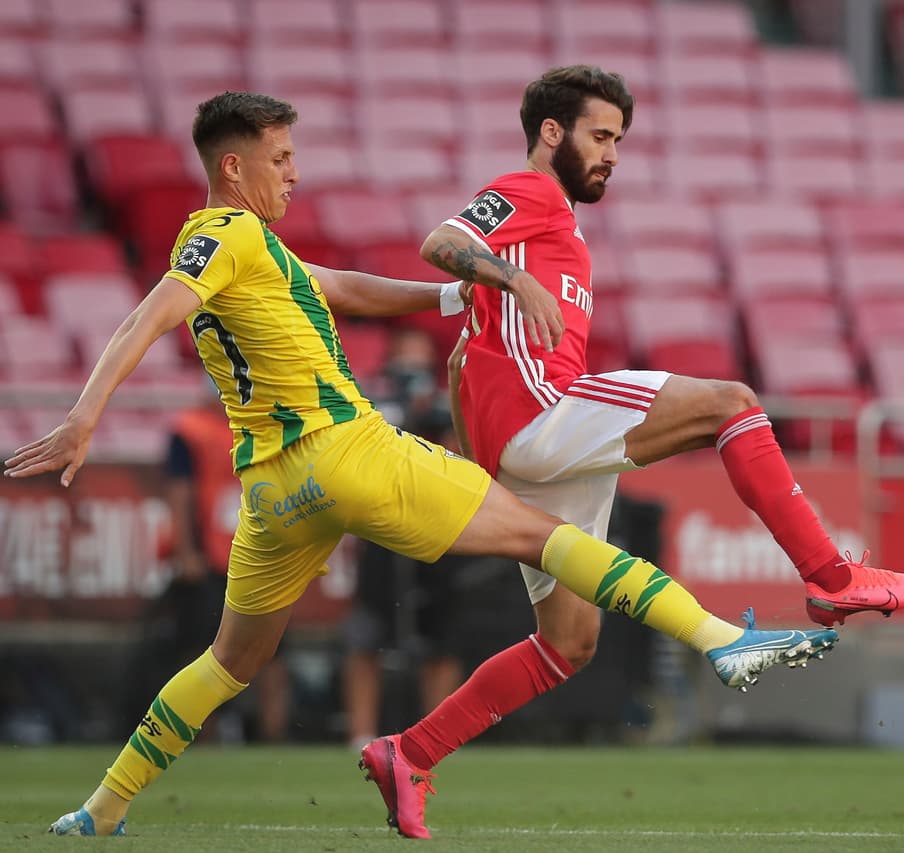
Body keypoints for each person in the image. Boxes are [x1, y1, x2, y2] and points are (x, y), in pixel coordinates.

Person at [3, 91, 839, 840]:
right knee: (544, 534)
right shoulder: (225, 232)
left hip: (274, 491)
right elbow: (153, 311)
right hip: (348, 451)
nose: (294, 173)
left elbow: (344, 287)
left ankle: (101, 810)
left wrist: (456, 296)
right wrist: (84, 415)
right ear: (234, 165)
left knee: (229, 660)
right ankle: (722, 638)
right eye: (281, 158)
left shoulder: (255, 252)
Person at [408, 65, 904, 787]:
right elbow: (441, 241)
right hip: (543, 417)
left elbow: (471, 341)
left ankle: (408, 754)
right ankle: (830, 576)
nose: (613, 154)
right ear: (551, 133)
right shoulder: (529, 191)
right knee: (732, 401)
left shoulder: (560, 220)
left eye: (618, 139)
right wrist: (514, 278)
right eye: (600, 135)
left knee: (569, 643)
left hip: (534, 451)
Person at [341, 328, 468, 749]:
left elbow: (460, 455)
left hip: (434, 525)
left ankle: (439, 733)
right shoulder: (371, 402)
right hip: (380, 526)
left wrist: (432, 410)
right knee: (367, 636)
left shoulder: (443, 402)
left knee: (442, 638)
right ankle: (360, 732)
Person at [155, 396, 291, 743]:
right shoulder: (193, 430)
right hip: (214, 555)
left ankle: (273, 738)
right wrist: (186, 551)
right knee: (205, 649)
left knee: (273, 651)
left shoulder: (272, 422)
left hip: (264, 551)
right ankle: (201, 736)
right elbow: (180, 490)